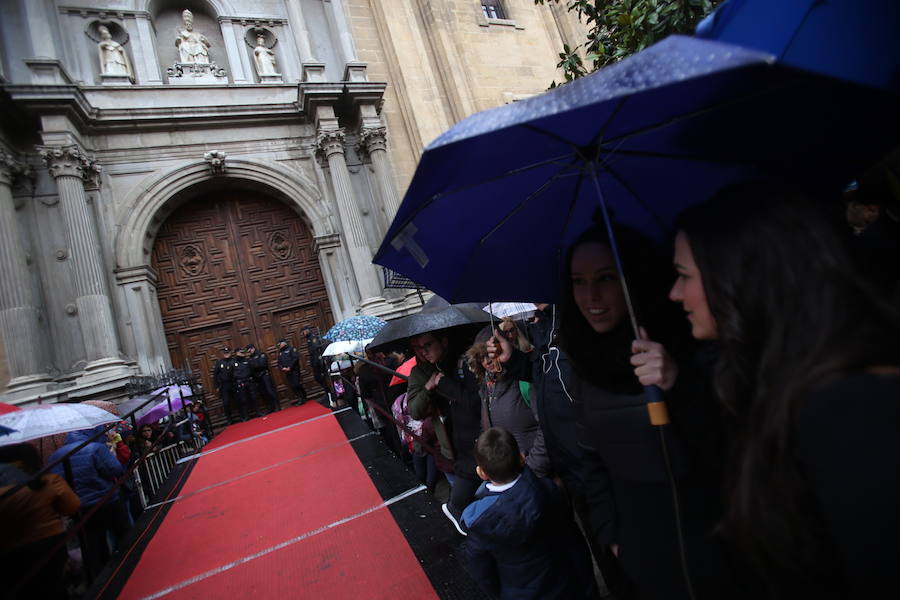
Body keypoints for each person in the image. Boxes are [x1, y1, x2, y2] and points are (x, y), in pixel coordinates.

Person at [671, 183, 900, 599]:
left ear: (738, 279)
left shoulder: (849, 407)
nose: (675, 293)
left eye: (685, 276)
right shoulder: (775, 384)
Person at [556, 222, 734, 600]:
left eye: (606, 278)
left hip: (721, 545)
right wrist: (614, 537)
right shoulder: (584, 364)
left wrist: (678, 384)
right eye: (578, 281)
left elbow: (736, 448)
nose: (592, 296)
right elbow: (591, 461)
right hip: (645, 560)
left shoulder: (693, 344)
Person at [461, 427, 599, 600]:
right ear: (521, 458)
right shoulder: (549, 490)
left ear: (481, 473)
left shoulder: (478, 522)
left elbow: (483, 574)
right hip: (565, 586)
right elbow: (573, 542)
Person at [407, 329, 485, 536]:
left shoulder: (461, 361)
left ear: (443, 341)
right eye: (417, 348)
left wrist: (448, 384)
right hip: (449, 448)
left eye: (427, 345)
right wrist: (429, 387)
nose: (423, 352)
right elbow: (414, 411)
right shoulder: (420, 372)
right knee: (461, 497)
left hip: (475, 442)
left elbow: (476, 401)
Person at [465, 326, 550, 477]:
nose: (487, 361)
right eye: (481, 357)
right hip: (509, 476)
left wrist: (533, 468)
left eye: (491, 354)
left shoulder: (524, 381)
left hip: (535, 474)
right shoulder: (486, 386)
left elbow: (547, 427)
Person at [49, 426, 130, 580]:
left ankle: (102, 579)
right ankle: (132, 564)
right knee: (124, 535)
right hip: (107, 500)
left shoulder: (56, 456)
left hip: (81, 507)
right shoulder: (95, 448)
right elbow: (115, 469)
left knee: (93, 544)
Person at [1, 443, 80, 598]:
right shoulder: (47, 482)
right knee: (55, 586)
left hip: (9, 550)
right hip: (49, 542)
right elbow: (72, 506)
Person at [247, 343, 279, 413]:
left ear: (253, 348)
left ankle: (277, 405)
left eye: (250, 350)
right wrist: (255, 366)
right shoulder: (249, 359)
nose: (249, 352)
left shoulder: (261, 354)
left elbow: (262, 365)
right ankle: (270, 407)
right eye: (248, 351)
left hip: (264, 375)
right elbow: (251, 369)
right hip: (257, 377)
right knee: (263, 393)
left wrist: (254, 366)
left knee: (269, 390)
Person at [277, 338, 307, 406]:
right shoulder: (280, 353)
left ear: (284, 343)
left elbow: (295, 358)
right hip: (287, 372)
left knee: (297, 384)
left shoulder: (291, 349)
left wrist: (290, 367)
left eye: (280, 344)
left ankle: (303, 396)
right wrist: (282, 368)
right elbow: (279, 363)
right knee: (292, 386)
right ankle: (300, 397)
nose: (279, 346)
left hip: (294, 370)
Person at [213, 346, 239, 424]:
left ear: (230, 353)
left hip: (234, 383)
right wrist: (217, 386)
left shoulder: (234, 360)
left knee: (238, 400)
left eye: (227, 353)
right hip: (224, 385)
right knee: (226, 402)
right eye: (225, 353)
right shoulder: (219, 362)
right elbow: (215, 375)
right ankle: (229, 419)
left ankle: (242, 416)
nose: (226, 354)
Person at [233, 347, 259, 420]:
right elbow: (231, 374)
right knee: (243, 399)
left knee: (254, 397)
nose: (242, 354)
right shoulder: (233, 362)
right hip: (240, 383)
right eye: (241, 352)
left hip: (249, 381)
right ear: (236, 353)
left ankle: (258, 412)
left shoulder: (247, 360)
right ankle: (246, 416)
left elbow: (252, 370)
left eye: (243, 352)